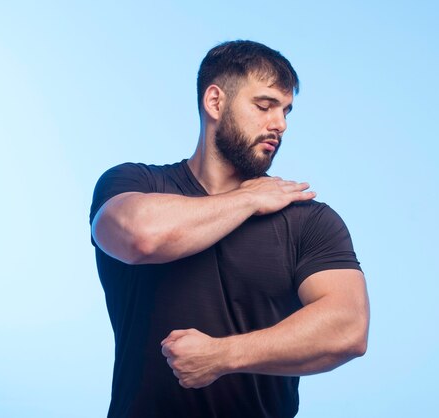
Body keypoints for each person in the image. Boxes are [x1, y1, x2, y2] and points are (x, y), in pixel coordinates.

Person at [89, 40, 370, 418]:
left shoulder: (307, 218)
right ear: (215, 102)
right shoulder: (136, 183)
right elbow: (139, 236)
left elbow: (348, 329)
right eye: (264, 105)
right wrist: (248, 199)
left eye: (286, 111)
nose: (280, 124)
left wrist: (222, 355)